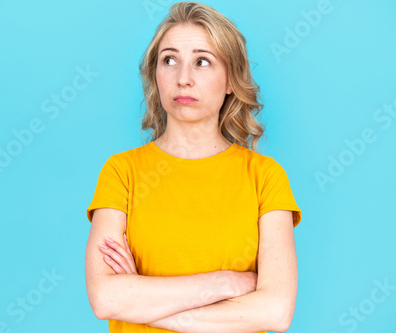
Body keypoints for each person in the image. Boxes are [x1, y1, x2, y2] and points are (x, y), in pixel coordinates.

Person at [84, 2, 302, 332]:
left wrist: (143, 304)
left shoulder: (265, 177)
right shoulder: (121, 172)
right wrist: (225, 283)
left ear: (231, 79)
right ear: (155, 75)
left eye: (202, 61)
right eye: (169, 60)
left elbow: (276, 311)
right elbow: (105, 298)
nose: (183, 78)